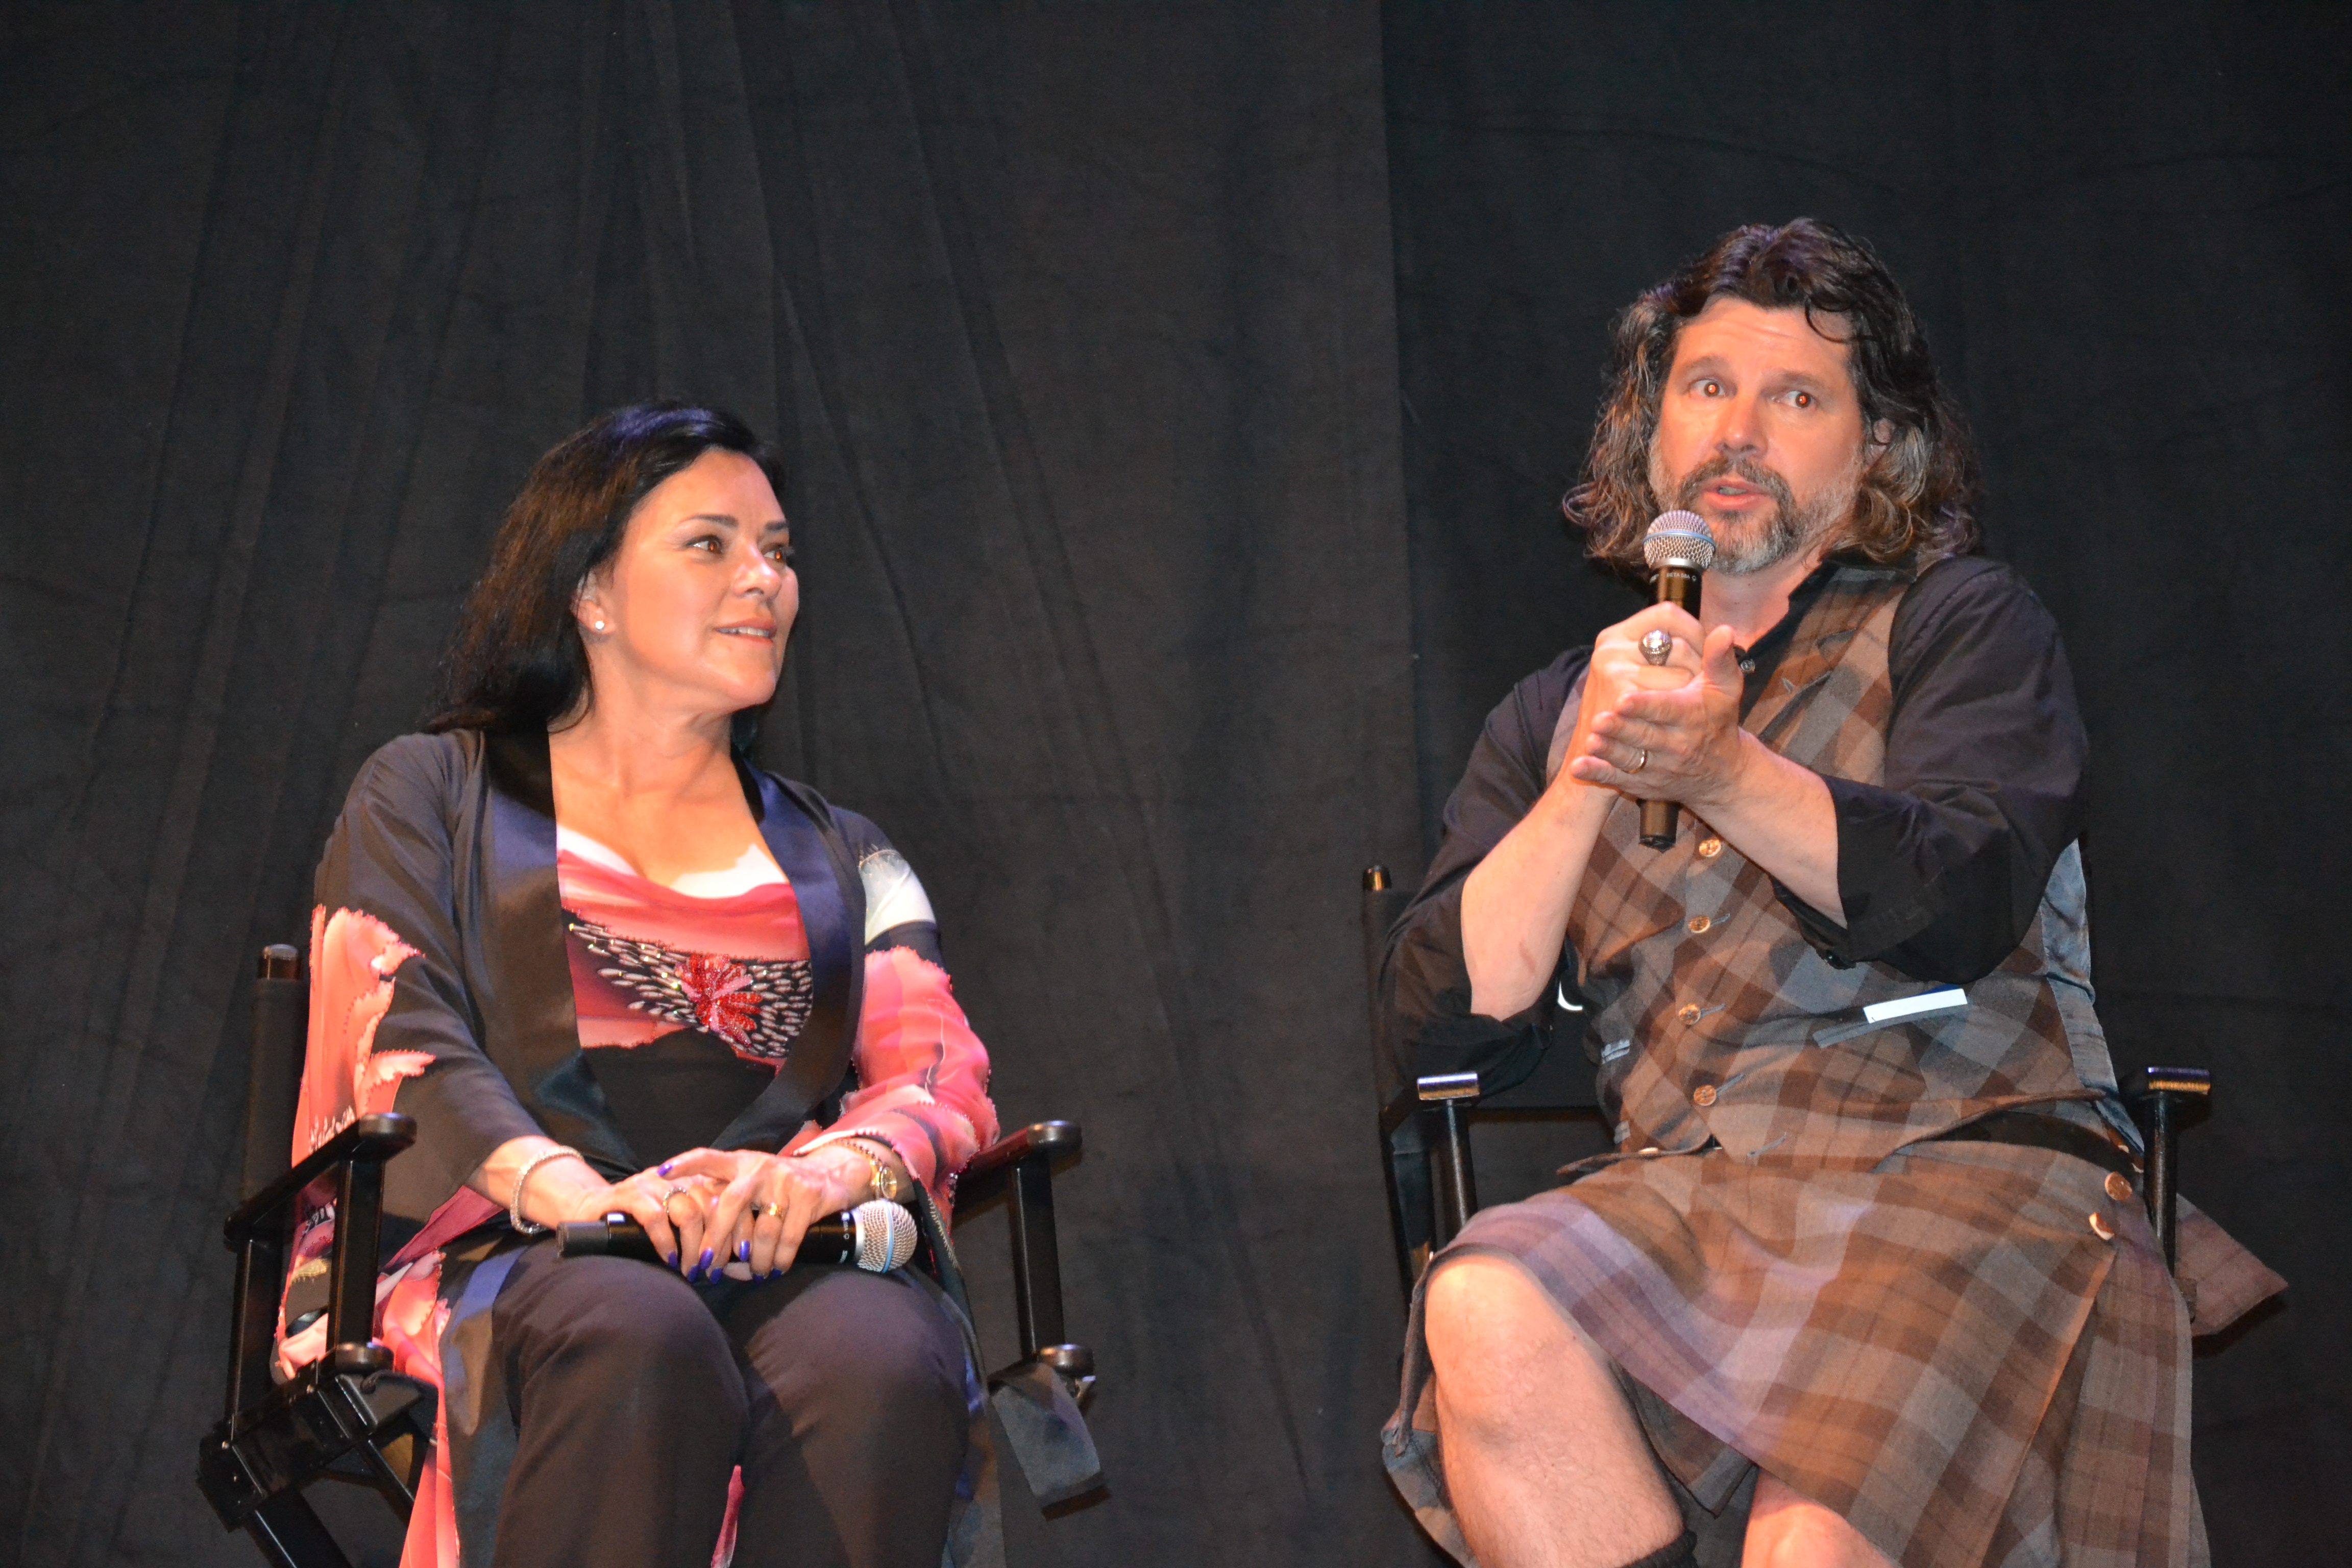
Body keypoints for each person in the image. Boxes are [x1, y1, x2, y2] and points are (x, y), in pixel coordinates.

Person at [1378, 221, 2281, 1568]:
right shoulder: (1553, 713)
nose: (1738, 432)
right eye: (1705, 388)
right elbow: (1440, 1033)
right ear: (1650, 436)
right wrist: (1590, 772)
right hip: (1693, 1203)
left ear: (1876, 455)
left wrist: (1721, 770)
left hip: (1965, 1173)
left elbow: (1961, 895)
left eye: (1797, 398)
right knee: (1486, 1302)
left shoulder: (1962, 625)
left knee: (1813, 1535)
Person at [279, 402, 1000, 1568]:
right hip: (516, 1251)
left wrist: (821, 1177)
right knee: (637, 1333)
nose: (764, 580)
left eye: (778, 552)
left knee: (882, 1357)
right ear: (591, 593)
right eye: (711, 544)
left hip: (774, 1256)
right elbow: (397, 1027)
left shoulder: (852, 859)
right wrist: (578, 1195)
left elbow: (936, 1070)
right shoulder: (431, 795)